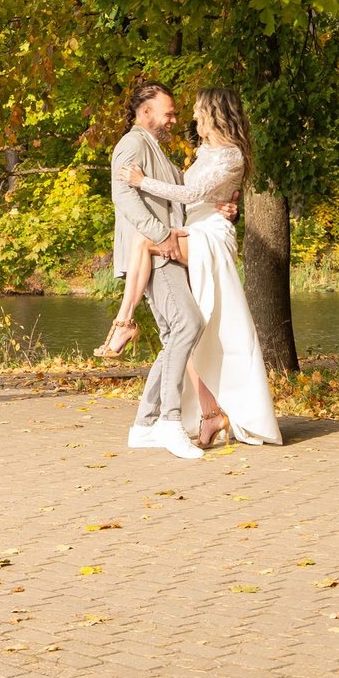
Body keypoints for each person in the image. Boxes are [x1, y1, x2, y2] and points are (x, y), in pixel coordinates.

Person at [116, 85, 285, 453]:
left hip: (208, 236)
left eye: (197, 111)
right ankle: (209, 414)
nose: (191, 117)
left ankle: (123, 322)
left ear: (214, 114)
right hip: (191, 230)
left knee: (145, 243)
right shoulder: (203, 151)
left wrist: (143, 181)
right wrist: (218, 204)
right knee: (194, 329)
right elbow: (192, 193)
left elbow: (192, 194)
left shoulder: (231, 154)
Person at [109, 83, 215, 459]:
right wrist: (161, 235)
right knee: (188, 324)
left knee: (174, 335)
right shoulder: (132, 143)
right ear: (145, 112)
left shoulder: (156, 150)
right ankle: (170, 421)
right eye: (167, 113)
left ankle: (144, 427)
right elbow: (123, 195)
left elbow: (183, 195)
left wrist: (220, 207)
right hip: (155, 253)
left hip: (166, 251)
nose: (173, 119)